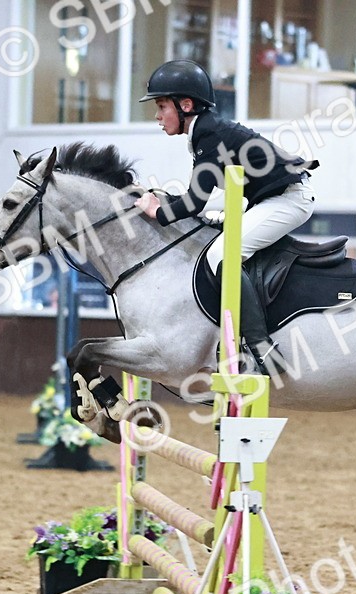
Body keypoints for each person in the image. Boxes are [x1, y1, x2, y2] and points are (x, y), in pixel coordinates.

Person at [133, 60, 317, 375]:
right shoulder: (206, 131)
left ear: (185, 104)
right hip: (270, 199)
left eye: (161, 106)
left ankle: (263, 348)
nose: (157, 116)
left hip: (288, 200)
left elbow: (193, 203)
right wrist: (160, 198)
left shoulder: (207, 133)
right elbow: (199, 196)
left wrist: (157, 211)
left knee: (222, 255)